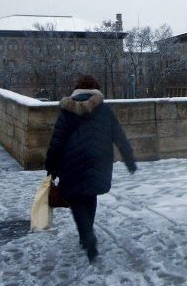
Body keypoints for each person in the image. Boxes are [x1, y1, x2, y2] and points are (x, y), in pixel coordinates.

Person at [44, 75, 137, 262]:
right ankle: (87, 235)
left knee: (76, 199)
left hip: (71, 162)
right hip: (99, 161)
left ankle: (87, 236)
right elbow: (118, 135)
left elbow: (57, 141)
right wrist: (129, 159)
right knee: (90, 194)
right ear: (96, 89)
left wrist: (51, 167)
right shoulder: (104, 109)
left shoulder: (67, 110)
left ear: (77, 89)